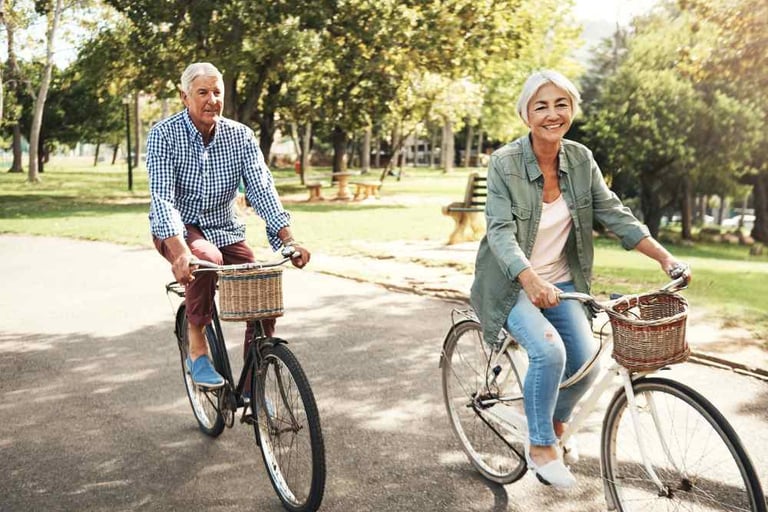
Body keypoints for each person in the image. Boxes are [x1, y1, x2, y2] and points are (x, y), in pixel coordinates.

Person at [470, 70, 690, 489]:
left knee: (587, 363)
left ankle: (550, 425)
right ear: (525, 115)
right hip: (511, 283)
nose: (552, 114)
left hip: (563, 283)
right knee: (548, 353)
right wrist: (530, 279)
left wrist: (666, 259)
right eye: (541, 106)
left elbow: (612, 212)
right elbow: (499, 231)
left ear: (571, 110)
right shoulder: (504, 163)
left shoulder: (580, 158)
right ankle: (539, 448)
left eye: (561, 105)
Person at [146, 62, 310, 389]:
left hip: (225, 227)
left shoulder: (240, 136)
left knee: (260, 289)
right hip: (180, 228)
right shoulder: (163, 135)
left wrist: (288, 240)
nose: (211, 100)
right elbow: (162, 199)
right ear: (184, 96)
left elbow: (262, 189)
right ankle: (197, 349)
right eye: (202, 92)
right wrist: (180, 253)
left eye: (217, 92)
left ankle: (253, 386)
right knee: (207, 258)